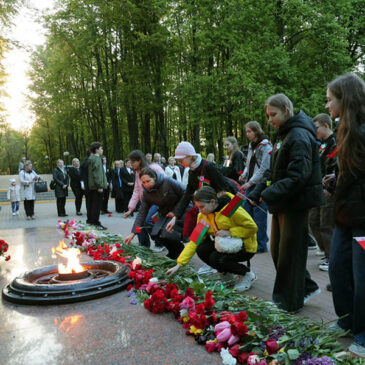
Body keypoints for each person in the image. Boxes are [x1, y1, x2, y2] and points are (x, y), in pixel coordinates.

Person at [248, 93, 323, 313]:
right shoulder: (284, 135)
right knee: (279, 251)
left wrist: (270, 193)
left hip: (295, 202)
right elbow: (274, 171)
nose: (269, 119)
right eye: (268, 115)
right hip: (284, 201)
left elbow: (299, 175)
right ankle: (306, 287)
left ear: (286, 111)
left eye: (274, 114)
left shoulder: (298, 135)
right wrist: (258, 191)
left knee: (289, 253)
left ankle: (287, 302)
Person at [326, 73, 365, 359]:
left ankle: (363, 334)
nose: (327, 105)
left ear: (345, 100)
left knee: (362, 277)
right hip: (345, 215)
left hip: (362, 218)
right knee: (338, 268)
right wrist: (335, 179)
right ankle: (348, 320)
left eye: (330, 100)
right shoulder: (345, 129)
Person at [166, 186, 258, 291]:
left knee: (216, 258)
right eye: (198, 207)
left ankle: (247, 274)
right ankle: (226, 275)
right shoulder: (203, 215)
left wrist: (230, 232)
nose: (200, 211)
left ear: (213, 202)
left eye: (202, 207)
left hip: (245, 246)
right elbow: (195, 240)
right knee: (201, 250)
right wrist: (179, 264)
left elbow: (252, 228)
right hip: (224, 244)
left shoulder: (230, 209)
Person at [124, 168, 186, 259]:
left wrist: (176, 213)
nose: (146, 185)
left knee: (166, 233)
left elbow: (186, 193)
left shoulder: (168, 181)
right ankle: (175, 251)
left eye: (148, 181)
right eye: (143, 182)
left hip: (181, 210)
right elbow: (142, 213)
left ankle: (179, 251)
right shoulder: (146, 192)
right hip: (165, 213)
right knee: (155, 234)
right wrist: (133, 233)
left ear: (154, 177)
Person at [308, 113, 337, 271]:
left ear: (326, 126)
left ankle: (331, 258)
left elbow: (334, 167)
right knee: (313, 221)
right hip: (318, 189)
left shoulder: (335, 142)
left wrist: (328, 187)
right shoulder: (322, 144)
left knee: (326, 225)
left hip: (329, 191)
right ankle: (326, 251)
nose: (315, 131)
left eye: (316, 127)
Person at [124, 150, 166, 251]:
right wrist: (131, 208)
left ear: (139, 160)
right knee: (139, 221)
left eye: (133, 161)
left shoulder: (154, 168)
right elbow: (136, 190)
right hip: (146, 202)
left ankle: (160, 243)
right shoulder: (137, 172)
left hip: (158, 200)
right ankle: (144, 245)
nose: (131, 164)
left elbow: (165, 181)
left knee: (148, 220)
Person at [240, 121, 272, 253]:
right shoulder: (251, 145)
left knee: (259, 215)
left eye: (250, 131)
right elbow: (248, 164)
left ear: (256, 131)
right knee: (246, 211)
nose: (247, 134)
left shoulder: (266, 146)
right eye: (246, 131)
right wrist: (244, 174)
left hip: (260, 185)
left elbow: (265, 168)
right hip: (250, 183)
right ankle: (251, 241)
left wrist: (251, 182)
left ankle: (261, 243)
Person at [87, 142, 107, 230]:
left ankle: (91, 221)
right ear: (96, 150)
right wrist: (100, 185)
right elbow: (97, 173)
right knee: (97, 206)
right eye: (101, 148)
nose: (102, 150)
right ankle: (96, 222)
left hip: (93, 186)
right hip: (97, 187)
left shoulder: (91, 158)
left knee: (93, 205)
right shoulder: (96, 159)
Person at [80, 149, 93, 222]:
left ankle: (89, 216)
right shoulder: (89, 162)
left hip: (86, 184)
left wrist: (82, 183)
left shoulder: (83, 162)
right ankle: (91, 217)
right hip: (91, 184)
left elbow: (81, 175)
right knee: (92, 201)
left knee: (88, 201)